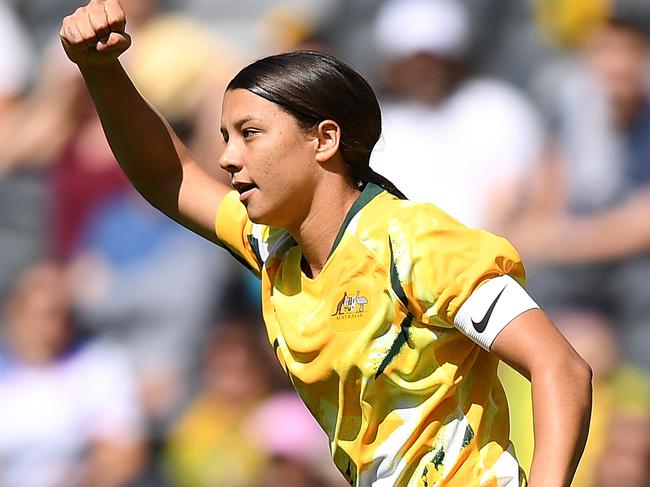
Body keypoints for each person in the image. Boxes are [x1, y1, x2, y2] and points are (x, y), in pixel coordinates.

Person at [59, 1, 592, 485]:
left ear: (325, 139)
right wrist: (101, 71)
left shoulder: (418, 244)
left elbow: (561, 368)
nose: (227, 158)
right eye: (225, 138)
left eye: (250, 132)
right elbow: (167, 175)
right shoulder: (272, 245)